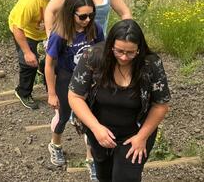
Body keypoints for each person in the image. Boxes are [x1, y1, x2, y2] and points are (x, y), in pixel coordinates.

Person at [68, 19, 171, 182]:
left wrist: (142, 137)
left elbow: (161, 105)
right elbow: (75, 96)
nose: (124, 57)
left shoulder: (151, 63)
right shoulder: (93, 56)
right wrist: (96, 128)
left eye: (131, 52)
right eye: (119, 51)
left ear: (139, 49)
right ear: (110, 46)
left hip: (135, 133)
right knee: (105, 176)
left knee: (125, 178)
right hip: (100, 131)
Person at [45, 0, 104, 178]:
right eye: (83, 16)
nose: (88, 19)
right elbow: (49, 64)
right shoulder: (59, 35)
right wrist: (52, 93)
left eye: (91, 15)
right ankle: (55, 144)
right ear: (71, 13)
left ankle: (91, 160)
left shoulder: (94, 29)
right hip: (66, 77)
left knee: (91, 118)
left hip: (89, 78)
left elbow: (102, 52)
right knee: (63, 116)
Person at [9, 0, 66, 109]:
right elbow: (18, 28)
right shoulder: (29, 2)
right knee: (28, 63)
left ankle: (44, 70)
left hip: (47, 31)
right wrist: (27, 52)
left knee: (54, 58)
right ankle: (23, 92)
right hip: (26, 33)